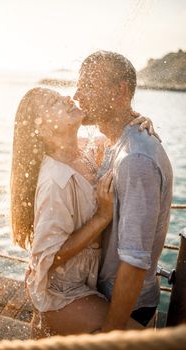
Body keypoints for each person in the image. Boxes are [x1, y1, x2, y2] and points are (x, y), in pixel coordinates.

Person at [10, 87, 154, 338]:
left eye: (60, 95)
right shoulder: (55, 181)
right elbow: (48, 257)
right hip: (62, 289)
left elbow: (117, 136)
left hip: (87, 277)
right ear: (43, 129)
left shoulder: (89, 147)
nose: (67, 97)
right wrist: (102, 217)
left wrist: (137, 122)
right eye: (53, 102)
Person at [72, 51, 173, 330]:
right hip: (108, 296)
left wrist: (111, 335)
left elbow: (135, 261)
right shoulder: (118, 142)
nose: (77, 93)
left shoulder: (136, 159)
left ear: (119, 91)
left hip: (125, 307)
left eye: (88, 85)